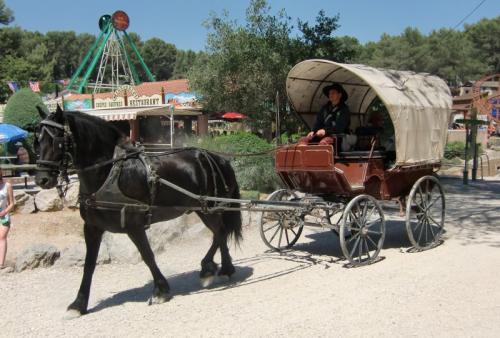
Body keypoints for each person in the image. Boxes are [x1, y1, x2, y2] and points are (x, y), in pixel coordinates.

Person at [0, 169, 15, 270]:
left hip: (3, 216)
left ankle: (1, 264)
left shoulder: (7, 186)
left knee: (2, 237)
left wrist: (4, 212)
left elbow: (12, 203)